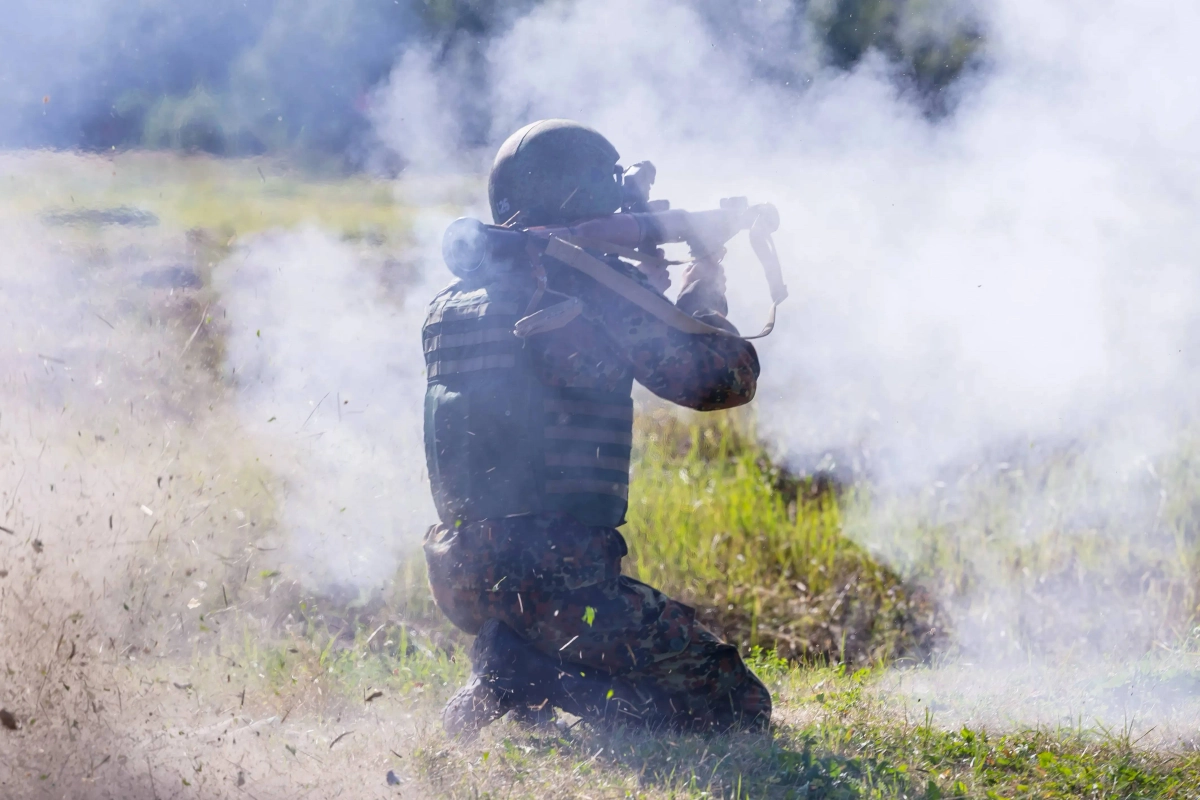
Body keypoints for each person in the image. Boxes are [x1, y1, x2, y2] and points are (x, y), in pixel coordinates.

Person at [421, 119, 771, 736]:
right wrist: (704, 291)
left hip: (467, 583)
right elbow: (723, 379)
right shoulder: (584, 280)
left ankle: (511, 660)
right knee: (738, 708)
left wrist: (642, 287)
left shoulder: (451, 303)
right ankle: (532, 673)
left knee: (597, 647)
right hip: (564, 588)